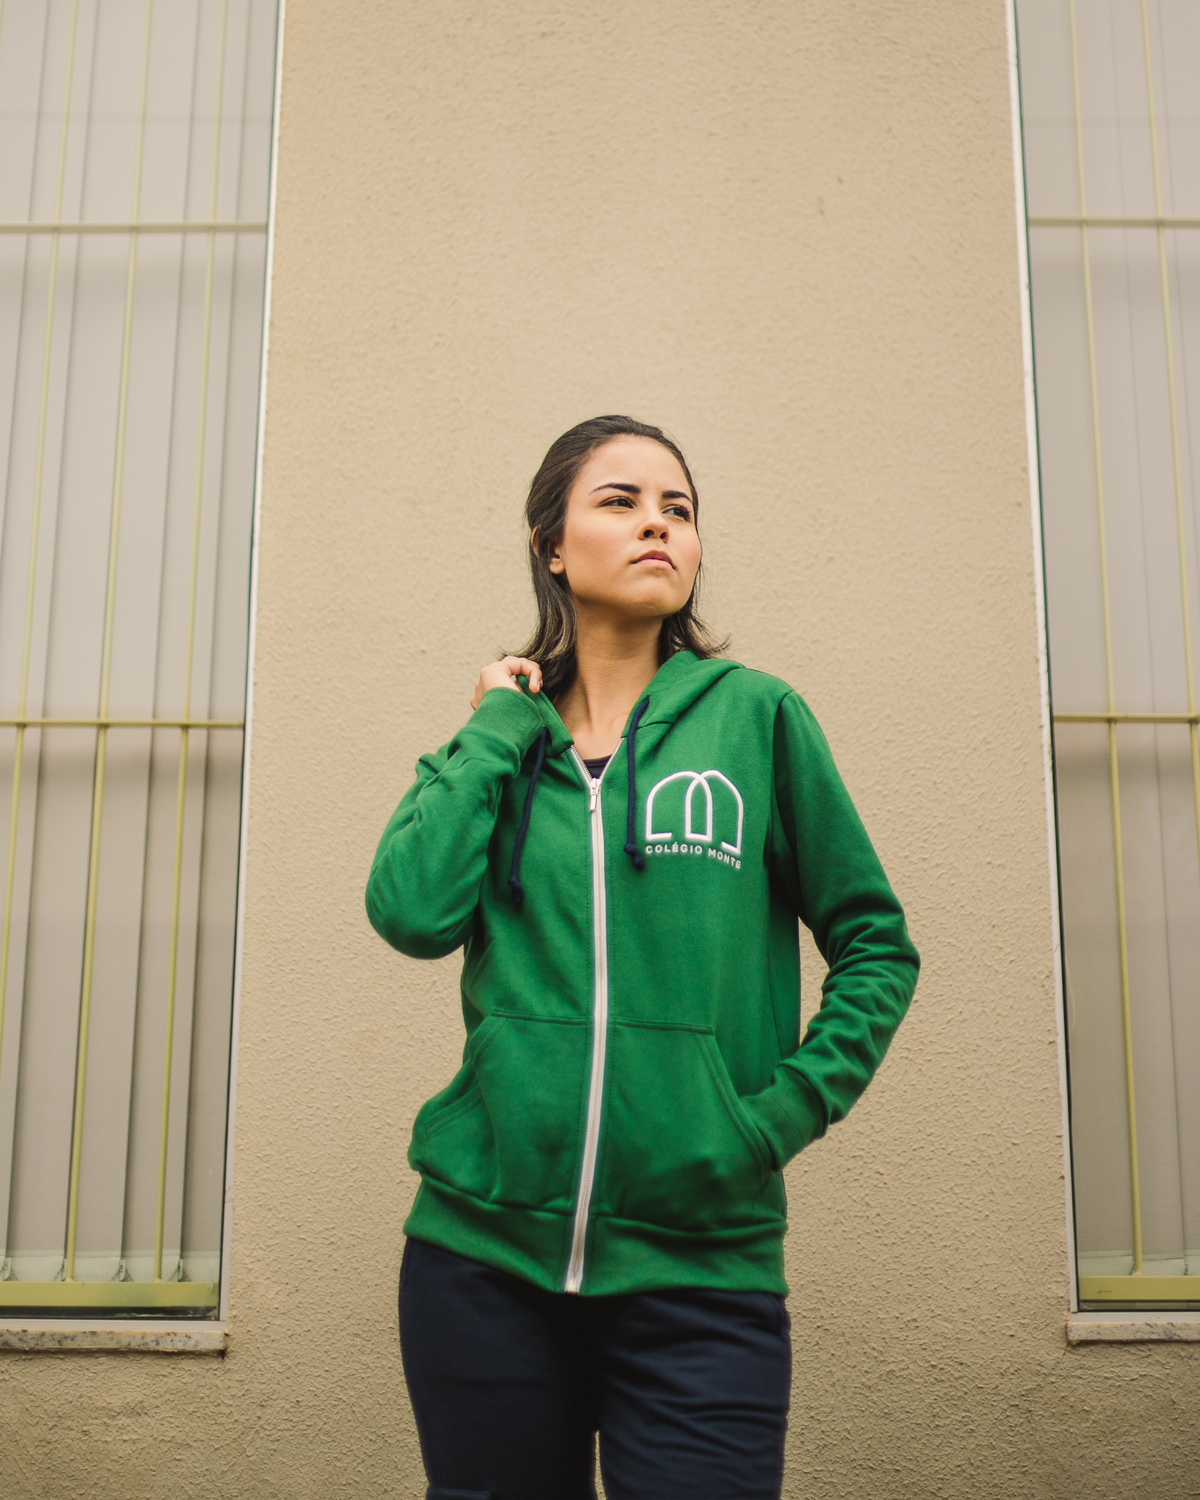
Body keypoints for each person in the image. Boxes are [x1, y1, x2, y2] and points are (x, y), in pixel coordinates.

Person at [366, 415, 919, 1500]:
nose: (658, 524)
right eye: (620, 501)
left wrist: (772, 1117)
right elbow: (411, 913)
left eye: (679, 508)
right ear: (551, 546)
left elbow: (875, 944)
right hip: (480, 1265)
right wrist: (494, 727)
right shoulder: (502, 745)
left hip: (702, 1272)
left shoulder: (756, 718)